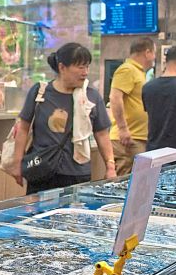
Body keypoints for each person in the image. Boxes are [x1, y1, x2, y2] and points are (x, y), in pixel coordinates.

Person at [9, 42, 117, 194]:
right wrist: (17, 163)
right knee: (38, 216)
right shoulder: (40, 92)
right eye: (80, 67)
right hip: (42, 171)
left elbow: (102, 134)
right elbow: (23, 128)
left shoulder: (91, 97)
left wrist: (110, 166)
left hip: (77, 173)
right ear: (62, 67)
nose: (85, 72)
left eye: (87, 67)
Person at [108, 36, 155, 175]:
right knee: (126, 182)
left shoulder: (139, 72)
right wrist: (123, 129)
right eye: (154, 53)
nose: (154, 58)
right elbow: (115, 97)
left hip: (137, 137)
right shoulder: (127, 69)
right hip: (128, 139)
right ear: (147, 53)